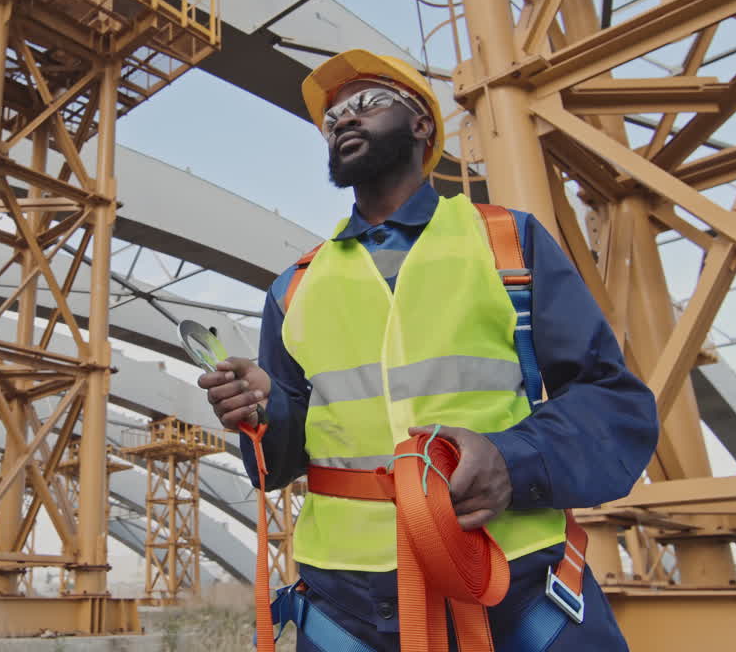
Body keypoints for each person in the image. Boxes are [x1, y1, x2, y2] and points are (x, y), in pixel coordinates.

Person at [196, 50, 657, 651]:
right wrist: (262, 416)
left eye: (365, 104)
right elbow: (277, 464)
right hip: (348, 607)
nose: (342, 120)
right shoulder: (295, 287)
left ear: (422, 126)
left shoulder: (506, 244)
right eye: (332, 117)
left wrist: (510, 462)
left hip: (514, 588)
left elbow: (611, 400)